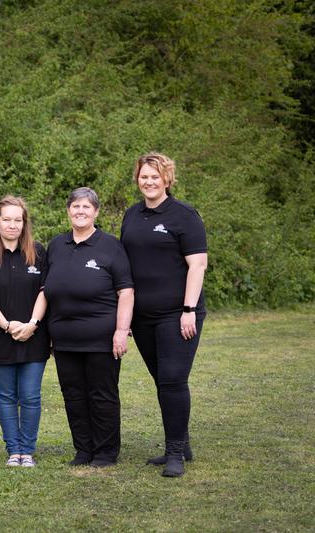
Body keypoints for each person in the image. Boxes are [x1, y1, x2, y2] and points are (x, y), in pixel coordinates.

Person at [120, 152, 207, 478]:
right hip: (143, 317)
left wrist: (188, 310)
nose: (149, 181)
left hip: (178, 314)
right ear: (137, 179)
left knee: (172, 380)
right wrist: (126, 316)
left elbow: (197, 265)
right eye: (144, 176)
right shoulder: (132, 215)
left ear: (167, 179)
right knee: (162, 380)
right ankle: (183, 443)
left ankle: (175, 454)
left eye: (155, 176)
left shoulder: (184, 215)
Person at [44, 187, 134, 468]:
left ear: (96, 212)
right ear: (68, 210)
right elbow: (46, 290)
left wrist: (121, 331)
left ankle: (105, 452)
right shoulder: (56, 245)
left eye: (86, 207)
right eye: (75, 206)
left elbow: (126, 291)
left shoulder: (111, 246)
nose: (80, 211)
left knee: (102, 395)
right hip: (64, 337)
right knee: (73, 395)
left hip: (102, 338)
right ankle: (83, 450)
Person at [0, 196, 50, 468]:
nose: (12, 225)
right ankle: (13, 450)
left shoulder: (38, 252)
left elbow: (45, 291)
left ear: (24, 222)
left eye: (17, 220)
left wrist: (32, 324)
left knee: (30, 395)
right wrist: (8, 326)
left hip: (34, 335)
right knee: (6, 396)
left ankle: (27, 450)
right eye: (6, 219)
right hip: (0, 336)